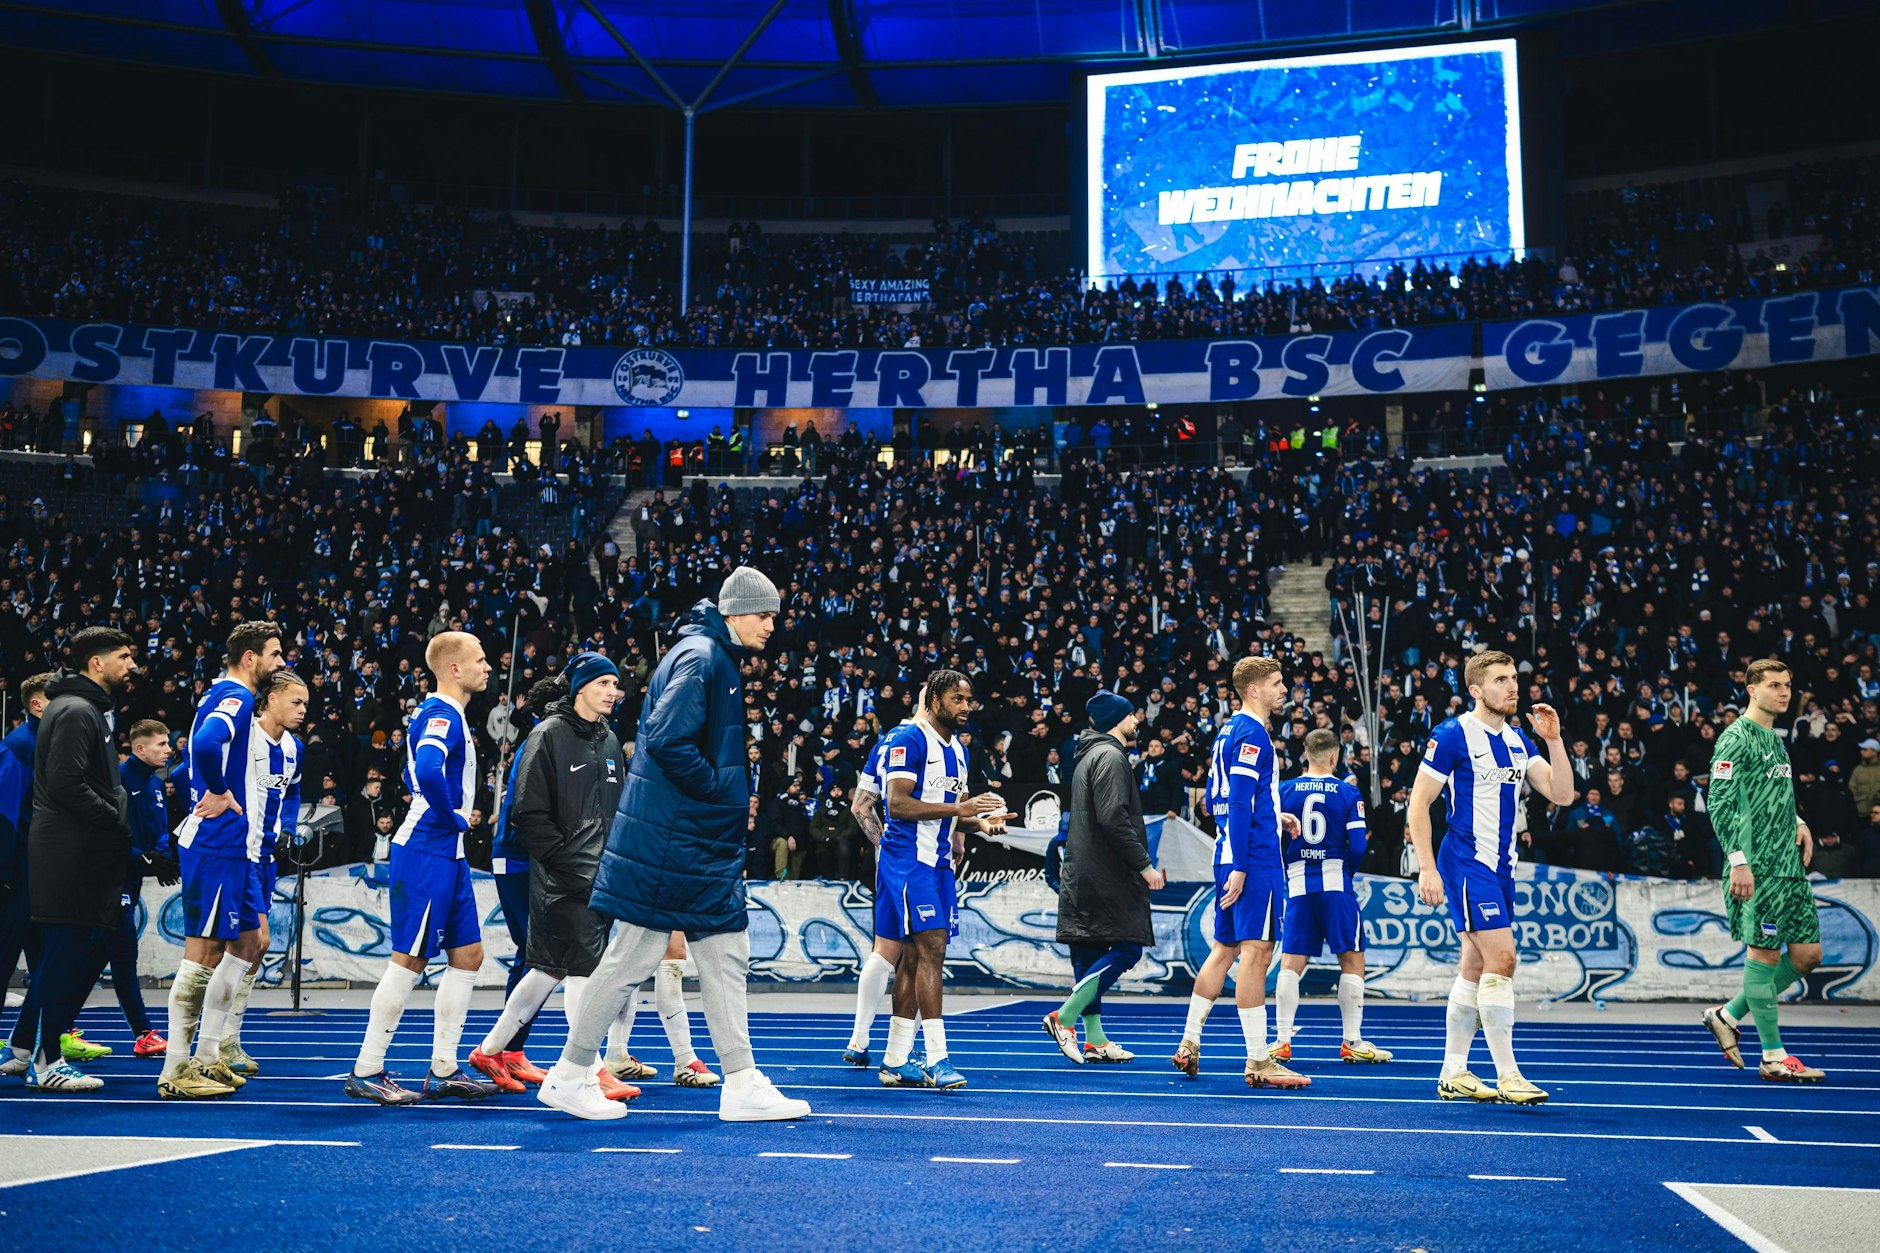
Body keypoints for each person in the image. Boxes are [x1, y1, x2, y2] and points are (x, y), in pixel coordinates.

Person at [538, 568, 810, 1122]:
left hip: (684, 841)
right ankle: (572, 1074)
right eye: (764, 613)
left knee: (718, 955)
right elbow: (663, 739)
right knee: (629, 961)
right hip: (678, 843)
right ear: (735, 612)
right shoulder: (705, 658)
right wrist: (718, 791)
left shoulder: (707, 655)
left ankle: (738, 1080)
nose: (771, 624)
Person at [1408, 649, 1574, 1106]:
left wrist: (1554, 741)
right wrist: (1426, 866)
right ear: (1476, 690)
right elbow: (1418, 804)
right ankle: (1509, 1074)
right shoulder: (1453, 734)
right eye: (1501, 680)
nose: (1513, 686)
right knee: (1503, 959)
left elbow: (1562, 793)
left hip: (1502, 867)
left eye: (1514, 678)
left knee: (1476, 965)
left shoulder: (1520, 740)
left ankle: (1453, 1072)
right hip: (1465, 862)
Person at [468, 654, 637, 1101]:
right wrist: (565, 863)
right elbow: (527, 813)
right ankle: (591, 1069)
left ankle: (490, 1051)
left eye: (614, 684)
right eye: (602, 682)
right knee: (583, 970)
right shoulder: (547, 737)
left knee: (547, 967)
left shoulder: (608, 739)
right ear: (579, 687)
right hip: (563, 876)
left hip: (597, 875)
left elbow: (611, 812)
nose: (611, 691)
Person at [344, 631, 497, 1106]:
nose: (488, 666)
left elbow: (418, 770)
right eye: (480, 659)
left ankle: (444, 1068)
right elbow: (428, 770)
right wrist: (452, 813)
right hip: (426, 850)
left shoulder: (445, 714)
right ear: (454, 668)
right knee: (410, 958)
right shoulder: (440, 713)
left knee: (468, 955)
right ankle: (367, 1069)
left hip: (446, 854)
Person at [159, 620, 284, 1100]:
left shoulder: (227, 697)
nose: (280, 663)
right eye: (274, 654)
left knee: (249, 942)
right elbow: (206, 744)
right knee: (205, 953)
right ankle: (175, 1069)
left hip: (236, 847)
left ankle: (209, 1055)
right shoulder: (234, 698)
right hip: (216, 843)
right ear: (250, 658)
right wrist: (216, 790)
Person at [1174, 656, 1308, 1089]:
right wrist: (1241, 864)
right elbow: (1237, 802)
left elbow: (1226, 799)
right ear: (1254, 690)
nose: (1284, 689)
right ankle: (1257, 1060)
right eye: (1276, 682)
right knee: (1257, 954)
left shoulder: (1228, 729)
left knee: (1224, 949)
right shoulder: (1253, 732)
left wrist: (1277, 814)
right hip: (1254, 860)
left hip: (1233, 850)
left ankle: (1189, 1042)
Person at [15, 628, 138, 1090]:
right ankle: (46, 1065)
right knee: (66, 957)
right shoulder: (75, 710)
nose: (132, 665)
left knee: (59, 956)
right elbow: (67, 784)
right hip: (71, 850)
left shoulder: (84, 708)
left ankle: (26, 1048)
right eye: (123, 657)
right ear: (96, 663)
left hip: (76, 847)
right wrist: (114, 818)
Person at [875, 671, 1007, 1091]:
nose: (966, 707)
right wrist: (960, 811)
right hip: (907, 861)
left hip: (937, 864)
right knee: (933, 949)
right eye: (957, 699)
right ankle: (937, 1058)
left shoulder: (959, 752)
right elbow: (896, 805)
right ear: (933, 700)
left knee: (915, 959)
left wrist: (979, 824)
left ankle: (895, 1060)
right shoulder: (909, 739)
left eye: (969, 700)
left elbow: (955, 810)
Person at [1701, 659, 1826, 1083]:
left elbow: (1773, 796)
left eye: (1788, 685)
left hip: (1788, 866)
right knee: (1765, 955)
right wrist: (1738, 860)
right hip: (1757, 867)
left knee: (1808, 956)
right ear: (1751, 689)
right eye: (1774, 685)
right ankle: (1773, 1056)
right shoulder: (1735, 738)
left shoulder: (1775, 739)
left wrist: (1799, 822)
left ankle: (1727, 1014)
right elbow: (1719, 803)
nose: (1784, 693)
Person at [1043, 691, 1164, 1065]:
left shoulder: (1087, 756)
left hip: (1084, 872)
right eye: (1131, 715)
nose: (1137, 721)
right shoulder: (1112, 756)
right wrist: (1145, 865)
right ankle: (1063, 1018)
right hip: (1106, 874)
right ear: (1117, 718)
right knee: (1128, 947)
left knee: (1090, 953)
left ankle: (1094, 1039)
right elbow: (1114, 818)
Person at [1270, 729, 1391, 1065]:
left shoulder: (1284, 791)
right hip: (1336, 882)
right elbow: (1359, 846)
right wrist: (1345, 872)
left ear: (1305, 755)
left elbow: (1269, 837)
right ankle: (1351, 1041)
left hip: (1297, 886)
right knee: (1352, 960)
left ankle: (1281, 1040)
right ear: (1336, 757)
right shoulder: (1347, 792)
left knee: (1291, 963)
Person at [478, 675, 569, 1089]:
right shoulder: (541, 741)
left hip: (524, 858)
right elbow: (527, 812)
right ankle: (501, 1051)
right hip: (517, 858)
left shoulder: (546, 739)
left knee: (537, 954)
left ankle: (510, 1050)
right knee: (536, 953)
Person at [218, 669, 307, 1075]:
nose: (303, 710)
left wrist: (288, 826)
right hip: (240, 853)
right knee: (250, 943)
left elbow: (293, 792)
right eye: (296, 702)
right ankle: (216, 1041)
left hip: (267, 858)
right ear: (270, 700)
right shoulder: (244, 736)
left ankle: (226, 1038)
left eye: (305, 703)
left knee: (252, 949)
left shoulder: (293, 747)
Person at [840, 720, 925, 1069]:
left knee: (884, 948)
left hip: (889, 859)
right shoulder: (926, 743)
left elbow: (860, 806)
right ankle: (906, 1047)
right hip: (919, 857)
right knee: (925, 952)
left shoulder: (885, 743)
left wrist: (884, 846)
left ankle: (859, 1038)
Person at [113, 719, 178, 1057]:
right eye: (161, 745)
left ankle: (56, 1028)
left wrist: (161, 859)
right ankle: (143, 1032)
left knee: (98, 958)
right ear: (139, 749)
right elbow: (108, 835)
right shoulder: (118, 778)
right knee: (122, 955)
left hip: (134, 877)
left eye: (168, 743)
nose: (169, 749)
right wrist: (146, 859)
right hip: (111, 880)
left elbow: (160, 829)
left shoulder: (155, 785)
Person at [0, 674, 51, 1021]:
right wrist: (4, 872)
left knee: (46, 957)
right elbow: (4, 811)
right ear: (36, 704)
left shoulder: (45, 741)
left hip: (39, 869)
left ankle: (45, 1042)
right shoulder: (19, 745)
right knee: (5, 956)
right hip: (17, 872)